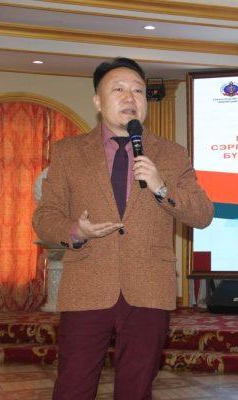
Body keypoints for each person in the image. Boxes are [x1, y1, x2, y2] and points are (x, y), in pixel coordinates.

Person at [32, 57, 214, 399]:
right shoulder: (68, 152)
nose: (130, 97)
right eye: (118, 89)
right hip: (87, 285)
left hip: (149, 287)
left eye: (138, 91)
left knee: (136, 389)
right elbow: (44, 217)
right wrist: (77, 230)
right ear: (98, 102)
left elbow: (203, 214)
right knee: (72, 387)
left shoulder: (171, 154)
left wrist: (161, 187)